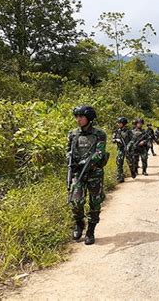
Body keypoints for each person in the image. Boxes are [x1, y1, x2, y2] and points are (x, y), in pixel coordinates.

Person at [67, 105, 108, 245]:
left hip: (94, 173)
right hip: (78, 173)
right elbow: (69, 151)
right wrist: (70, 161)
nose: (78, 119)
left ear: (89, 118)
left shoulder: (99, 134)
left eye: (81, 117)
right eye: (76, 117)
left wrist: (84, 162)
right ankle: (79, 223)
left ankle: (91, 230)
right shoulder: (73, 134)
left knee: (95, 202)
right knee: (76, 201)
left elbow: (99, 153)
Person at [111, 117, 134, 182]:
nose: (118, 124)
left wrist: (128, 146)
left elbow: (132, 140)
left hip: (128, 149)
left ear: (123, 123)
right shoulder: (116, 131)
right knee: (119, 163)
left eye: (119, 123)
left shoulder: (129, 131)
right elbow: (112, 140)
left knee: (130, 163)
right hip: (120, 149)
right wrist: (116, 140)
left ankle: (133, 172)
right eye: (118, 123)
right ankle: (120, 177)